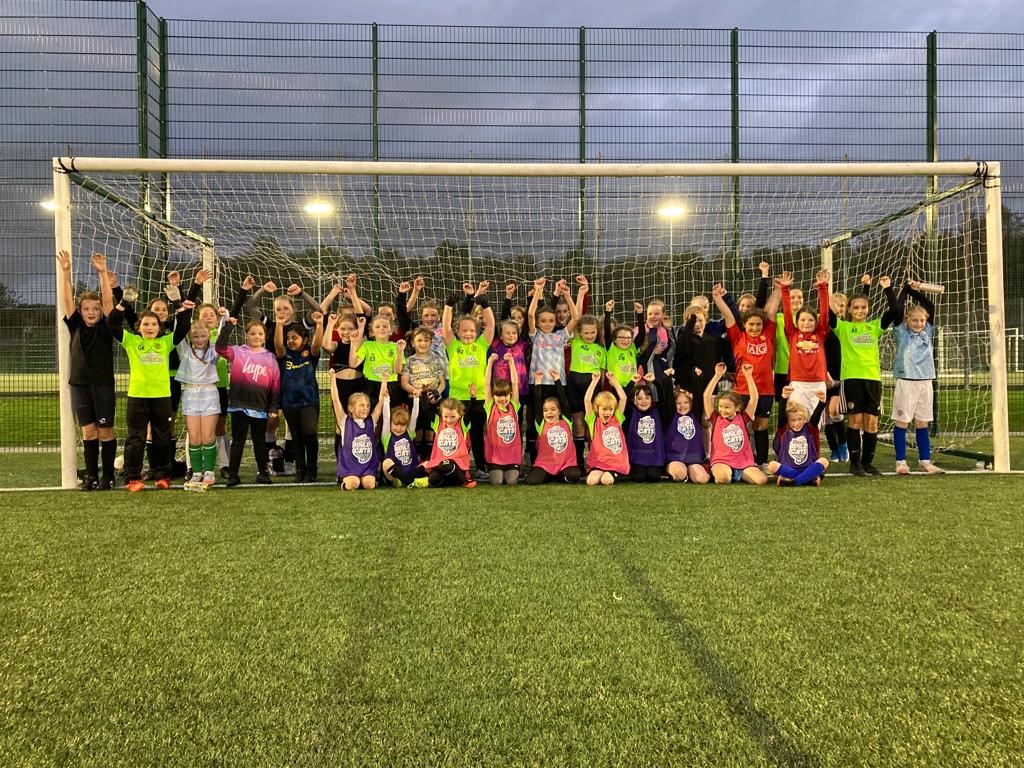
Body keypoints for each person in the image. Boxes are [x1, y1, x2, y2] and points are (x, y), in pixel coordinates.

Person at [108, 292, 191, 491]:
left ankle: (162, 475)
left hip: (161, 397)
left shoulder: (165, 342)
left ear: (159, 327)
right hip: (137, 396)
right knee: (135, 438)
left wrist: (177, 303)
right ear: (139, 327)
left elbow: (184, 327)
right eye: (145, 324)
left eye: (153, 324)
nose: (150, 327)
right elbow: (112, 324)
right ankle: (133, 478)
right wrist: (123, 302)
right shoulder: (131, 341)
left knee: (162, 437)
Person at [58, 250, 118, 490]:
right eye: (86, 309)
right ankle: (91, 475)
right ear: (81, 311)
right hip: (80, 385)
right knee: (89, 431)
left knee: (105, 431)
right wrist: (65, 273)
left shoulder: (106, 326)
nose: (91, 312)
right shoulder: (75, 326)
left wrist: (102, 273)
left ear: (100, 311)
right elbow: (67, 300)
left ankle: (108, 476)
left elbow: (108, 302)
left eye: (95, 309)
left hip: (102, 384)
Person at [714, 280, 781, 472]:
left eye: (758, 324)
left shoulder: (768, 334)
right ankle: (738, 459)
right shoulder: (737, 336)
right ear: (744, 324)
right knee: (739, 425)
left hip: (765, 390)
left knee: (761, 426)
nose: (755, 328)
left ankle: (762, 461)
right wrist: (718, 298)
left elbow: (771, 311)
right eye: (751, 324)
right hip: (742, 389)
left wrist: (778, 289)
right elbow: (728, 315)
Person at [833, 274, 893, 476]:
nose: (860, 310)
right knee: (855, 421)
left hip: (873, 379)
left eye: (863, 307)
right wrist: (824, 287)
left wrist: (887, 288)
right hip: (852, 379)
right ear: (849, 310)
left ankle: (868, 463)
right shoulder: (843, 328)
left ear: (868, 309)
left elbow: (895, 311)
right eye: (856, 307)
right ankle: (855, 463)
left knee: (871, 422)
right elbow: (828, 315)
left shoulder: (874, 327)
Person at [887, 281, 945, 475]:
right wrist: (905, 290)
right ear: (907, 320)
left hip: (926, 382)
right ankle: (901, 462)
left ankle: (925, 461)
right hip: (907, 382)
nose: (918, 323)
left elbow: (930, 306)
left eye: (921, 320)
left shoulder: (928, 330)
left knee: (922, 423)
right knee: (902, 423)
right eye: (914, 320)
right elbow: (897, 309)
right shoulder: (901, 332)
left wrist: (916, 291)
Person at [216, 317, 281, 487]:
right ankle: (233, 474)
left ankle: (262, 473)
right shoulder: (237, 352)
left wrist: (274, 407)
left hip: (260, 406)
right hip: (239, 406)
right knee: (238, 441)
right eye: (252, 333)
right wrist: (228, 327)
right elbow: (220, 347)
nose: (256, 337)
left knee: (259, 441)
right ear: (246, 335)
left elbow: (275, 385)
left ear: (265, 337)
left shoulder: (270, 358)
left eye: (260, 334)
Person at [441, 281, 495, 479]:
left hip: (479, 397)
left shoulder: (481, 345)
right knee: (456, 433)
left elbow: (491, 326)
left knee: (477, 434)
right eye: (464, 330)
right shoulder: (453, 346)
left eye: (471, 330)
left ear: (476, 331)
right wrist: (448, 305)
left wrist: (486, 306)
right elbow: (445, 327)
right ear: (458, 331)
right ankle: (456, 465)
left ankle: (480, 467)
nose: (468, 333)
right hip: (458, 398)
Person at [174, 304, 228, 490]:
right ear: (190, 337)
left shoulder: (214, 351)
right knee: (195, 437)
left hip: (210, 395)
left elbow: (222, 335)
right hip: (190, 395)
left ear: (208, 336)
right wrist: (179, 311)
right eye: (195, 336)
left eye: (203, 336)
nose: (199, 339)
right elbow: (178, 334)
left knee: (208, 436)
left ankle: (209, 472)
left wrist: (225, 317)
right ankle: (196, 472)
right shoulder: (185, 351)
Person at [275, 310, 326, 483]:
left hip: (309, 401)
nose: (291, 340)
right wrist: (279, 325)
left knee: (309, 432)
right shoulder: (285, 355)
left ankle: (312, 469)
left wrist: (319, 324)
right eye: (288, 338)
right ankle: (300, 470)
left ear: (304, 340)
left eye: (294, 337)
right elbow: (278, 345)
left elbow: (317, 344)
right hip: (289, 403)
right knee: (296, 438)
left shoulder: (310, 353)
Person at [780, 268, 832, 425]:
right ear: (797, 322)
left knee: (814, 423)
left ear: (816, 322)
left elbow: (824, 313)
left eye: (810, 320)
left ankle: (813, 443)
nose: (806, 323)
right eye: (802, 320)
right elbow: (787, 313)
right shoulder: (792, 334)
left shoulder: (820, 334)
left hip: (818, 383)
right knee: (796, 420)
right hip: (798, 383)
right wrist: (785, 288)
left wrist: (823, 287)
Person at [704, 362, 768, 485]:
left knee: (761, 480)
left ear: (737, 407)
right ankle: (720, 472)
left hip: (743, 462)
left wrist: (748, 376)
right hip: (721, 461)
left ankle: (739, 474)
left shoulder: (743, 417)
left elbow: (754, 399)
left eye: (727, 407)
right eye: (720, 406)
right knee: (723, 479)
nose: (723, 410)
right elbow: (706, 397)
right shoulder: (715, 418)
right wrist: (717, 376)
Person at [524, 371, 581, 485]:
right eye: (545, 410)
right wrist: (538, 382)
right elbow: (537, 403)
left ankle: (558, 475)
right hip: (545, 465)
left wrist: (557, 380)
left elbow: (564, 401)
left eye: (553, 409)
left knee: (574, 476)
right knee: (532, 481)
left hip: (565, 464)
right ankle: (549, 475)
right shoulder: (541, 424)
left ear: (559, 411)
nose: (549, 412)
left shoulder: (566, 422)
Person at [768, 386, 829, 486]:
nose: (796, 423)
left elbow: (816, 416)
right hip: (789, 468)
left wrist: (822, 402)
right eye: (792, 420)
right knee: (772, 465)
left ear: (805, 419)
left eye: (800, 419)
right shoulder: (784, 429)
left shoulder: (810, 429)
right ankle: (808, 479)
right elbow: (781, 414)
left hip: (808, 467)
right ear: (788, 421)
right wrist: (784, 397)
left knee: (824, 461)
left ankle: (793, 482)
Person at [331, 375, 384, 491]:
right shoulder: (344, 422)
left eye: (367, 406)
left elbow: (380, 403)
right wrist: (333, 379)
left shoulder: (371, 421)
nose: (365, 408)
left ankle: (367, 480)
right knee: (353, 484)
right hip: (350, 468)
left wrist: (384, 381)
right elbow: (335, 400)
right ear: (351, 408)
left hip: (367, 467)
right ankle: (344, 481)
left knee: (369, 484)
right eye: (361, 405)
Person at [567, 313, 606, 470]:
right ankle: (578, 462)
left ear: (597, 331)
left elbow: (602, 374)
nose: (589, 335)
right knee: (578, 423)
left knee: (592, 425)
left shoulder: (601, 350)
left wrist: (599, 391)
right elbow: (575, 316)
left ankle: (594, 461)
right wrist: (579, 299)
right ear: (580, 332)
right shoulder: (576, 342)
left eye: (593, 332)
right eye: (586, 333)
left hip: (593, 385)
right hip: (574, 383)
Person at [481, 353, 523, 485]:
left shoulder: (514, 406)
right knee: (497, 482)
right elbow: (486, 384)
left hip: (512, 456)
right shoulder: (490, 407)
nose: (502, 399)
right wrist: (490, 363)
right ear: (493, 396)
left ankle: (515, 468)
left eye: (505, 395)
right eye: (498, 396)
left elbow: (515, 384)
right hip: (495, 457)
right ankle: (493, 468)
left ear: (510, 395)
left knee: (511, 481)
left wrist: (511, 363)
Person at [659, 377, 710, 484]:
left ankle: (691, 471)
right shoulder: (670, 416)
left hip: (694, 457)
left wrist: (696, 376)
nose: (682, 405)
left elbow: (698, 396)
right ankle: (679, 471)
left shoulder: (695, 414)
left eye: (686, 402)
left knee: (702, 479)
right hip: (675, 457)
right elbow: (666, 400)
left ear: (691, 404)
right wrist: (668, 378)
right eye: (678, 403)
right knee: (679, 474)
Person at [583, 372, 629, 486]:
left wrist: (614, 381)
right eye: (604, 409)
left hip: (616, 463)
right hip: (599, 462)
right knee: (591, 481)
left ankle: (619, 474)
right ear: (597, 408)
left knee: (606, 480)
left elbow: (623, 398)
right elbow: (587, 400)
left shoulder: (617, 418)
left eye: (611, 409)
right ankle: (603, 472)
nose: (608, 412)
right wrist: (594, 381)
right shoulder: (593, 420)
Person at [420, 397, 476, 488]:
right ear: (441, 414)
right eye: (445, 417)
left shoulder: (462, 424)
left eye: (453, 417)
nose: (449, 420)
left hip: (457, 465)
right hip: (440, 464)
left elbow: (470, 412)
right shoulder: (438, 422)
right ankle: (450, 480)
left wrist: (473, 398)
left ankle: (464, 480)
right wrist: (423, 393)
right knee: (433, 479)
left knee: (448, 466)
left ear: (459, 415)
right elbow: (426, 410)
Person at [623, 372, 664, 483]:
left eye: (647, 398)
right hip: (636, 457)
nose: (644, 401)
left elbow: (663, 396)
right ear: (634, 401)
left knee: (653, 476)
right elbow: (623, 397)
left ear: (652, 399)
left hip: (654, 456)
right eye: (639, 398)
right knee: (639, 477)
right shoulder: (631, 412)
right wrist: (632, 382)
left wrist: (654, 382)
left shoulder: (657, 411)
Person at [381, 388, 421, 488]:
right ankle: (409, 481)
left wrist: (416, 400)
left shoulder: (409, 433)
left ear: (406, 425)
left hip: (410, 470)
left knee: (427, 464)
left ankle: (405, 481)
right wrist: (386, 399)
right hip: (394, 475)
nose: (399, 428)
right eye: (396, 424)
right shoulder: (387, 435)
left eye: (402, 425)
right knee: (386, 463)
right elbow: (386, 417)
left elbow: (414, 417)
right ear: (391, 423)